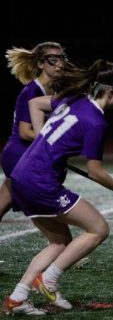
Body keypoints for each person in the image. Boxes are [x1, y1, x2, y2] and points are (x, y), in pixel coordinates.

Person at [3, 60, 113, 316]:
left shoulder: (73, 99)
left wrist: (44, 136)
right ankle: (49, 279)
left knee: (59, 242)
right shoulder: (97, 123)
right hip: (40, 181)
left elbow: (36, 104)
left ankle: (18, 297)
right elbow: (95, 171)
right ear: (109, 92)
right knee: (99, 229)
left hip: (20, 176)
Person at [1, 42, 70, 223]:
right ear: (40, 64)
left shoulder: (55, 88)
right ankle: (60, 245)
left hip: (28, 155)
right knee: (49, 207)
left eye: (62, 58)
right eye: (53, 60)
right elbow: (25, 132)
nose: (60, 64)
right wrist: (56, 142)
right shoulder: (31, 91)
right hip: (20, 155)